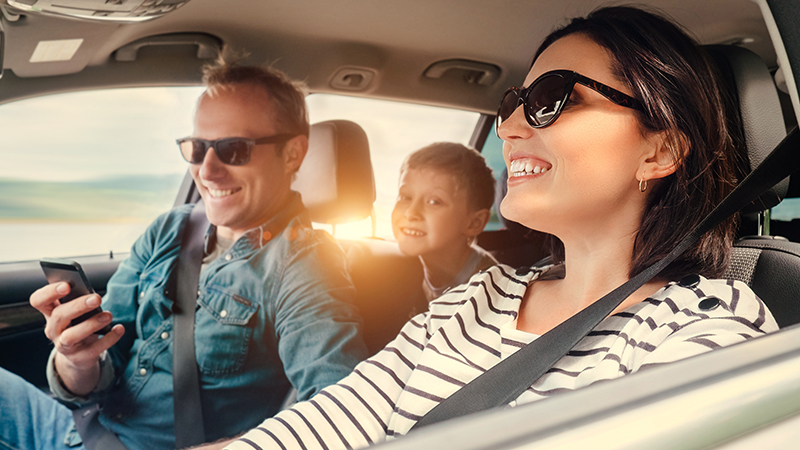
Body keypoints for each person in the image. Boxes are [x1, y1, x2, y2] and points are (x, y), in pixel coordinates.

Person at [210, 6, 779, 450]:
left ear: (659, 150)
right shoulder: (473, 301)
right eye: (513, 103)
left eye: (551, 100)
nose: (508, 128)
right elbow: (322, 427)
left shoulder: (704, 333)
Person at [0, 57, 369, 450]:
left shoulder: (303, 264)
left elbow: (338, 412)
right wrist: (75, 359)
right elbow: (103, 368)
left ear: (294, 153)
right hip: (80, 432)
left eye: (234, 149)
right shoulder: (170, 229)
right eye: (197, 148)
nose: (207, 171)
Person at [391, 143, 498, 302]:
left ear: (474, 223)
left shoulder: (488, 290)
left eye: (434, 202)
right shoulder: (409, 270)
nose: (411, 213)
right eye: (405, 197)